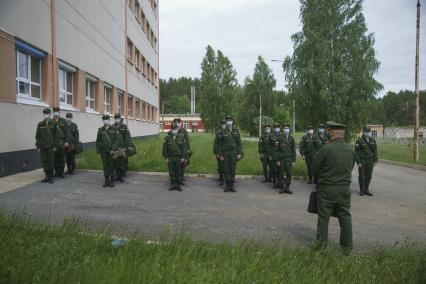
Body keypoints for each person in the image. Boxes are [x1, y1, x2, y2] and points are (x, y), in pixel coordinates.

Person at [311, 121, 356, 253]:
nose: (328, 134)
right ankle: (347, 248)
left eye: (329, 132)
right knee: (345, 216)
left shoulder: (325, 149)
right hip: (344, 189)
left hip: (327, 189)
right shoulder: (350, 150)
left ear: (333, 133)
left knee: (324, 217)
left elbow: (314, 169)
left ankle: (320, 248)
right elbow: (350, 167)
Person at [96, 114, 123, 188]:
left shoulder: (114, 129)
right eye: (104, 119)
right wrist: (98, 151)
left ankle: (111, 181)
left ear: (109, 120)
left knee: (111, 165)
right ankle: (106, 181)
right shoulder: (100, 130)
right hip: (103, 151)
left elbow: (117, 140)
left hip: (111, 151)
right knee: (105, 166)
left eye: (107, 119)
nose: (105, 121)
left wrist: (113, 149)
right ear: (103, 120)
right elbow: (98, 141)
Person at [218, 115, 243, 192]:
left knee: (232, 170)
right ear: (225, 122)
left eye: (230, 120)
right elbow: (219, 144)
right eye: (227, 120)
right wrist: (220, 155)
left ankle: (232, 185)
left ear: (232, 121)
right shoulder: (222, 132)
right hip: (225, 153)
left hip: (234, 153)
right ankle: (227, 185)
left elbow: (239, 143)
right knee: (226, 170)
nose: (229, 121)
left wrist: (239, 153)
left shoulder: (236, 131)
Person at [35, 108, 60, 184]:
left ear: (50, 114)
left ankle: (51, 177)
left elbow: (56, 136)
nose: (46, 114)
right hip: (42, 147)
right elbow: (37, 136)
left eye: (47, 113)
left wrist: (55, 146)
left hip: (51, 147)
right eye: (44, 113)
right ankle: (46, 176)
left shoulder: (54, 124)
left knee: (51, 162)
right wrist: (38, 146)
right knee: (44, 162)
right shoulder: (40, 124)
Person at [162, 124, 188, 191]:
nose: (174, 130)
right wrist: (166, 158)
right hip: (170, 158)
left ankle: (178, 185)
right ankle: (173, 184)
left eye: (175, 129)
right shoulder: (167, 138)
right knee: (172, 172)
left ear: (177, 129)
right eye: (173, 129)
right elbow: (164, 149)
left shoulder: (181, 137)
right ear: (171, 130)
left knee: (178, 171)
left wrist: (183, 157)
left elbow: (184, 149)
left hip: (179, 158)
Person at [355, 126, 378, 196]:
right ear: (363, 132)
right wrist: (358, 162)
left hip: (370, 161)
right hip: (362, 160)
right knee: (361, 176)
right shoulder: (359, 140)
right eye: (365, 132)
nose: (367, 133)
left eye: (368, 132)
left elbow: (375, 151)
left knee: (369, 176)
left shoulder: (373, 140)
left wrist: (375, 160)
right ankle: (361, 190)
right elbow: (356, 152)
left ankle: (366, 189)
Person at [51, 107, 71, 178]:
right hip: (54, 143)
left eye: (57, 111)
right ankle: (56, 172)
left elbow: (67, 132)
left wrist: (67, 141)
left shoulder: (63, 121)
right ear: (53, 112)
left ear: (59, 112)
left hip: (62, 142)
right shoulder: (51, 121)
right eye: (54, 111)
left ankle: (62, 172)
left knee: (61, 158)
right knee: (55, 158)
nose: (56, 112)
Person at [277, 123, 296, 194]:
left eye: (287, 128)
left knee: (289, 173)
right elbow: (277, 150)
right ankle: (282, 187)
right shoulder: (280, 138)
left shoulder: (291, 138)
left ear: (289, 129)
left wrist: (293, 160)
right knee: (281, 173)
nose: (286, 129)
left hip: (289, 159)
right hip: (281, 159)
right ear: (282, 129)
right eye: (285, 128)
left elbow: (293, 150)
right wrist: (277, 160)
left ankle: (287, 187)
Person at [114, 113, 132, 182]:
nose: (117, 119)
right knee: (116, 162)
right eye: (115, 118)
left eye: (118, 117)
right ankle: (117, 175)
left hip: (123, 147)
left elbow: (127, 137)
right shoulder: (112, 127)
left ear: (120, 118)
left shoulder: (124, 127)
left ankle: (121, 175)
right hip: (116, 148)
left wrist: (127, 147)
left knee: (123, 162)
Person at [175, 118, 191, 183]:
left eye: (179, 122)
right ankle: (176, 178)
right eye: (177, 122)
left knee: (183, 164)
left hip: (183, 150)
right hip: (175, 151)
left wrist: (188, 149)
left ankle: (181, 177)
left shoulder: (184, 131)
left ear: (181, 123)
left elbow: (187, 141)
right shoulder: (173, 130)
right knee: (176, 165)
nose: (178, 123)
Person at [268, 123, 281, 189]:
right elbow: (268, 146)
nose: (277, 128)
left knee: (280, 169)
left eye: (278, 127)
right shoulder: (271, 135)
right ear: (274, 128)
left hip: (280, 155)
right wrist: (269, 155)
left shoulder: (282, 135)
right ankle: (274, 182)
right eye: (275, 127)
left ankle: (279, 182)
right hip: (273, 154)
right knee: (273, 169)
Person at [214, 120, 226, 185]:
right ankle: (221, 179)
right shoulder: (219, 133)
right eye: (222, 124)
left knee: (227, 166)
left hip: (227, 152)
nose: (223, 125)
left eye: (224, 124)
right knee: (220, 166)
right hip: (220, 152)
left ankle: (228, 179)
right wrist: (216, 153)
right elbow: (216, 143)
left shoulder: (229, 132)